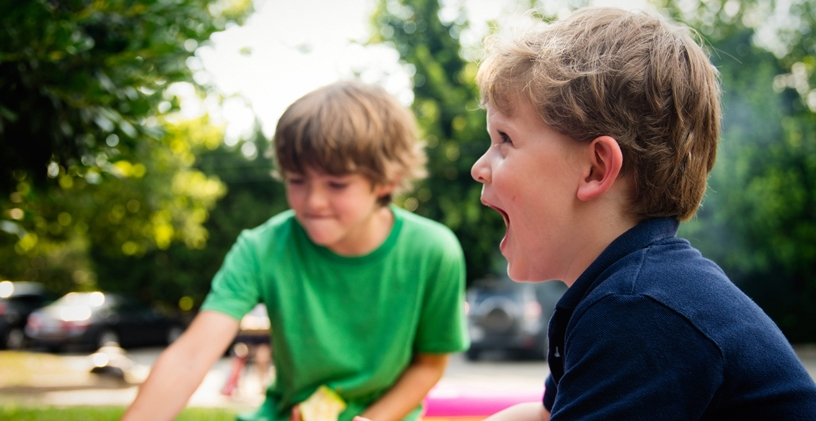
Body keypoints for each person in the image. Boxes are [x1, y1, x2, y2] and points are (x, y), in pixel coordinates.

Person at [362, 7, 816, 421]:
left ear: (596, 168)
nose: (479, 167)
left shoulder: (640, 312)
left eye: (505, 139)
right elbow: (542, 416)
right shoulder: (621, 291)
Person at [122, 80, 469, 421]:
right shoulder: (261, 248)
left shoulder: (433, 251)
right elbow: (191, 357)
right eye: (296, 180)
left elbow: (429, 364)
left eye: (337, 184)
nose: (313, 201)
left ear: (387, 180)